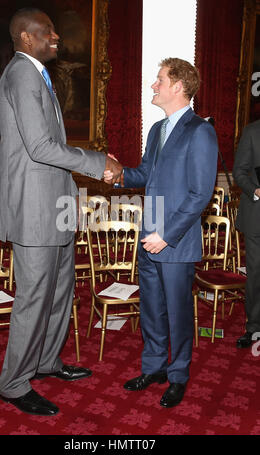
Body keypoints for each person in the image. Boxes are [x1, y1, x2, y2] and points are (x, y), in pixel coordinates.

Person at [0, 7, 122, 416]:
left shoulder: (38, 75)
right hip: (34, 212)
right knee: (34, 298)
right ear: (25, 38)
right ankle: (14, 384)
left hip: (57, 208)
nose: (56, 37)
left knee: (59, 294)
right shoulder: (20, 73)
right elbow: (40, 148)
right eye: (47, 31)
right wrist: (98, 160)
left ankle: (46, 362)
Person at [104, 58, 218, 407]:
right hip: (148, 236)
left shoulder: (200, 131)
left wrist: (167, 236)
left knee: (179, 311)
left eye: (160, 80)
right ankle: (153, 367)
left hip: (175, 242)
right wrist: (119, 173)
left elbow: (201, 194)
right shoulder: (157, 130)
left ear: (178, 87)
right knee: (151, 308)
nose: (154, 85)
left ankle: (178, 374)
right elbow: (145, 175)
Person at [232, 119, 260, 348]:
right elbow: (239, 172)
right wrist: (256, 190)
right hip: (256, 217)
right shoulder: (252, 131)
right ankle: (254, 328)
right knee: (257, 274)